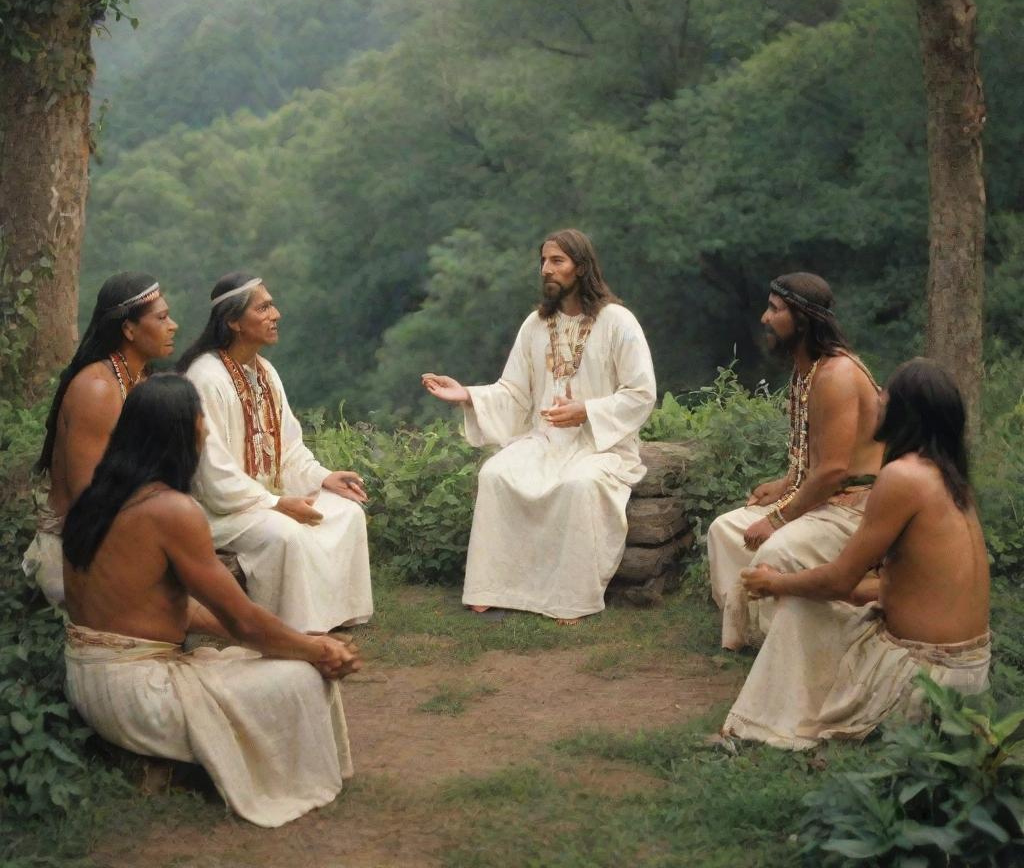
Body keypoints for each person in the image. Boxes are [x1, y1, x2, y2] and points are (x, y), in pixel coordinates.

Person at [63, 374, 362, 827]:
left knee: (265, 657)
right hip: (136, 696)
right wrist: (317, 651)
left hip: (87, 684)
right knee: (302, 676)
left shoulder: (97, 500)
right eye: (201, 416)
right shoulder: (171, 510)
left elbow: (181, 610)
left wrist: (294, 638)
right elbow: (243, 623)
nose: (206, 428)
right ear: (182, 431)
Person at [721, 359, 990, 749]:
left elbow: (839, 579)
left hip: (931, 675)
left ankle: (761, 732)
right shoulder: (950, 478)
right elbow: (896, 588)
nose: (877, 399)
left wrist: (774, 582)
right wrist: (834, 592)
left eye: (885, 394)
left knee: (799, 607)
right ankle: (766, 724)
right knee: (815, 605)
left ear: (904, 412)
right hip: (970, 674)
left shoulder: (903, 477)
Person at [422, 228, 656, 623]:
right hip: (545, 441)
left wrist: (586, 411)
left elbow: (641, 393)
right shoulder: (535, 324)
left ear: (581, 268)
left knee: (579, 486)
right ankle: (492, 587)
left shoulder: (618, 321)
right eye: (544, 262)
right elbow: (514, 391)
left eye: (557, 261)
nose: (546, 269)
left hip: (600, 445)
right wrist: (466, 394)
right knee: (495, 473)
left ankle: (571, 598)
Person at [178, 273, 372, 633]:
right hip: (221, 510)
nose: (276, 314)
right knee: (288, 533)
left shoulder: (266, 372)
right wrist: (275, 504)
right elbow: (212, 475)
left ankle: (337, 615)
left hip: (268, 499)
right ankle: (298, 628)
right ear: (234, 322)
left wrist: (323, 478)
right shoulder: (205, 378)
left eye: (272, 305)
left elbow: (290, 448)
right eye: (264, 307)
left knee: (347, 512)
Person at [706, 273, 883, 649]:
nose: (764, 318)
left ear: (802, 318)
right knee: (725, 531)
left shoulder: (836, 374)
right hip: (820, 498)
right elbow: (815, 457)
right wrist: (785, 484)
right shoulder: (807, 371)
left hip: (853, 510)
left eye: (774, 309)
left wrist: (777, 519)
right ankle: (750, 637)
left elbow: (835, 471)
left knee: (774, 549)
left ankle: (785, 650)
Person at [25, 273, 177, 605]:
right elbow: (90, 503)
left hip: (133, 524)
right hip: (81, 546)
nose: (173, 325)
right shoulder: (97, 389)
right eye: (162, 317)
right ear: (129, 329)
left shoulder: (142, 380)